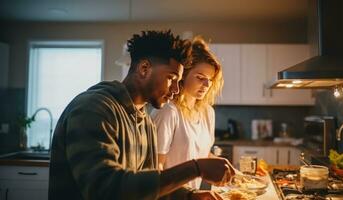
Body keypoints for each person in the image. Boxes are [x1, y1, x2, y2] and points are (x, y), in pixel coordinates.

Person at [48, 30, 235, 200]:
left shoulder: (145, 122)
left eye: (179, 81)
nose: (176, 90)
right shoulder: (94, 108)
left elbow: (149, 186)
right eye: (171, 79)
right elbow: (105, 190)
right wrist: (196, 168)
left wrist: (189, 196)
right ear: (144, 68)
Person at [151, 36, 224, 190]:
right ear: (183, 76)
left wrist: (234, 173)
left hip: (193, 194)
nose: (206, 85)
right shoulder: (168, 112)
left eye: (210, 80)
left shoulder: (207, 113)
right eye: (200, 78)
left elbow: (200, 155)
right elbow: (156, 168)